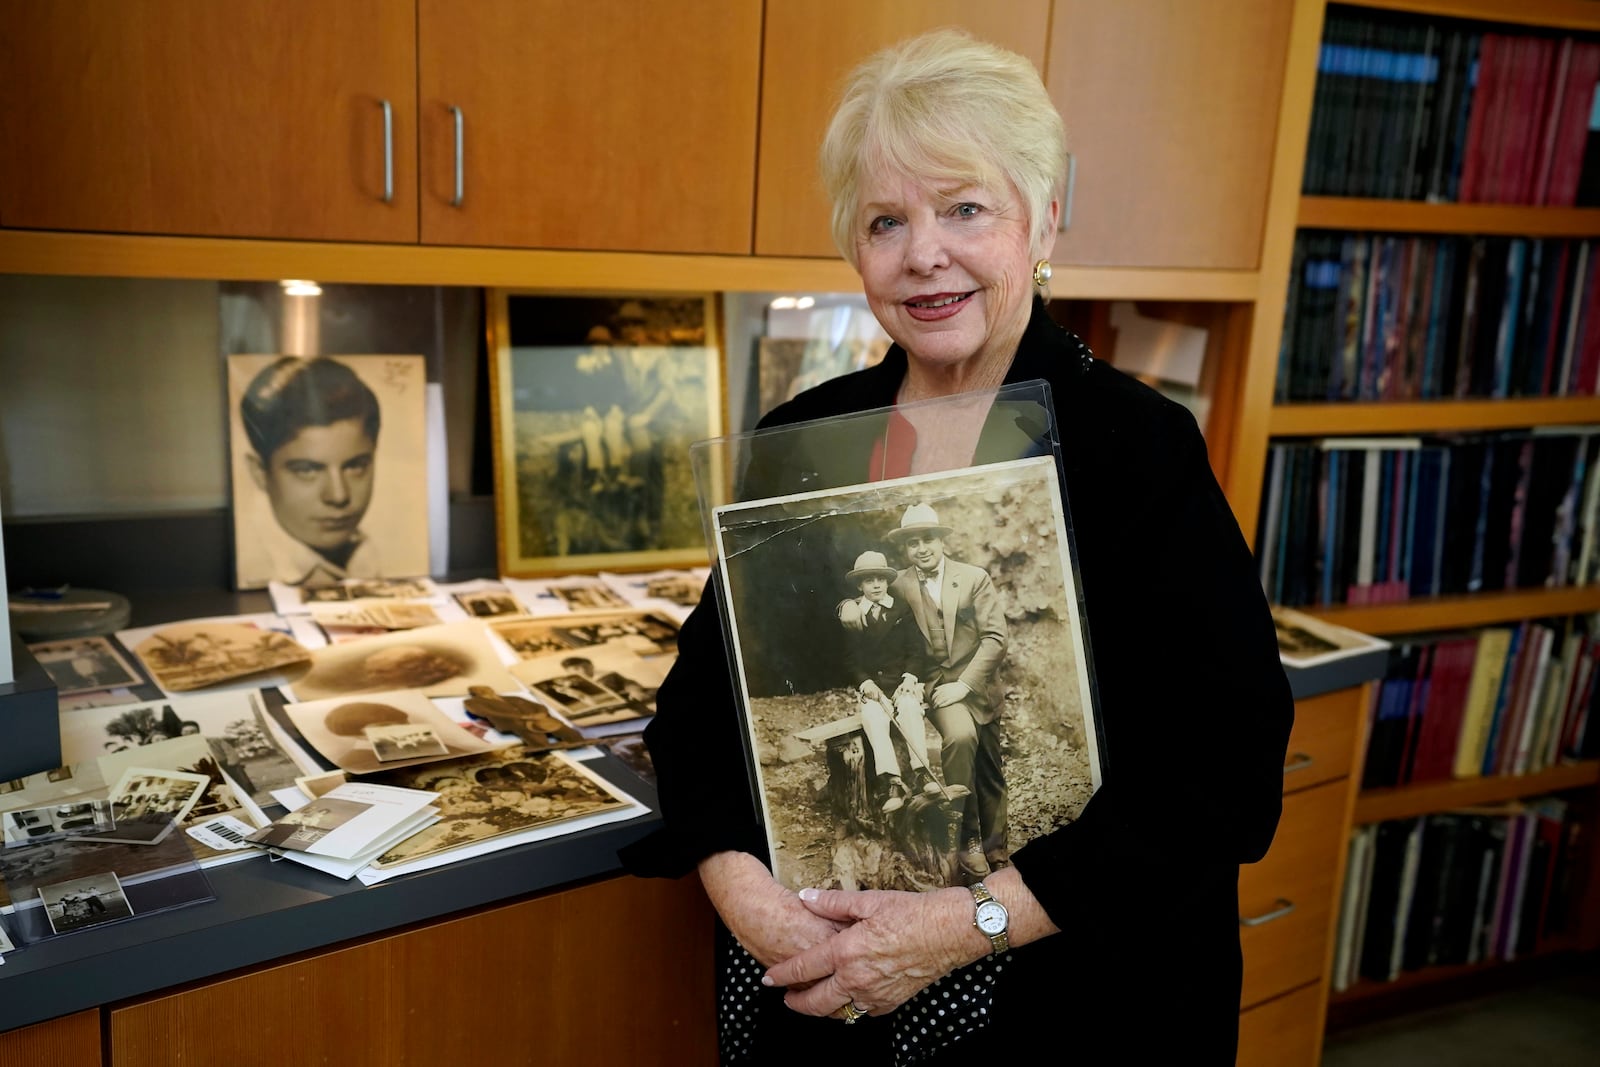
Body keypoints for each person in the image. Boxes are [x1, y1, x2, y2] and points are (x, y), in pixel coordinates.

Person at [621, 28, 1293, 1065]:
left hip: (1070, 1006)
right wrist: (750, 899)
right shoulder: (805, 437)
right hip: (818, 989)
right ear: (855, 246)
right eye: (886, 220)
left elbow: (1220, 776)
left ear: (1042, 220)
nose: (923, 253)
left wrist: (961, 923)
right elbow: (701, 712)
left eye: (965, 208)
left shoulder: (1133, 448)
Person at [881, 505, 1006, 875]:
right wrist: (848, 610)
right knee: (962, 737)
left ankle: (997, 849)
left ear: (942, 540)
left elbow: (996, 639)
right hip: (935, 685)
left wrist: (965, 684)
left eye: (928, 539)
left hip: (979, 686)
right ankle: (967, 839)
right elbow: (868, 607)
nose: (921, 548)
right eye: (912, 542)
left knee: (989, 769)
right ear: (904, 549)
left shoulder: (973, 578)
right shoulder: (898, 584)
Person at [239, 356, 383, 587]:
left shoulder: (371, 555)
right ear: (259, 473)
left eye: (355, 466)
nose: (338, 496)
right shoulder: (252, 567)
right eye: (307, 470)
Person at [835, 549, 945, 816]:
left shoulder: (900, 609)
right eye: (869, 580)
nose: (876, 585)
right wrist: (865, 683)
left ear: (887, 582)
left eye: (880, 580)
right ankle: (891, 782)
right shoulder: (854, 615)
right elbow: (849, 659)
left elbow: (915, 650)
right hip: (873, 688)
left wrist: (910, 676)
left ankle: (922, 773)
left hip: (901, 683)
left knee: (909, 708)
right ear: (859, 585)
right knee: (873, 717)